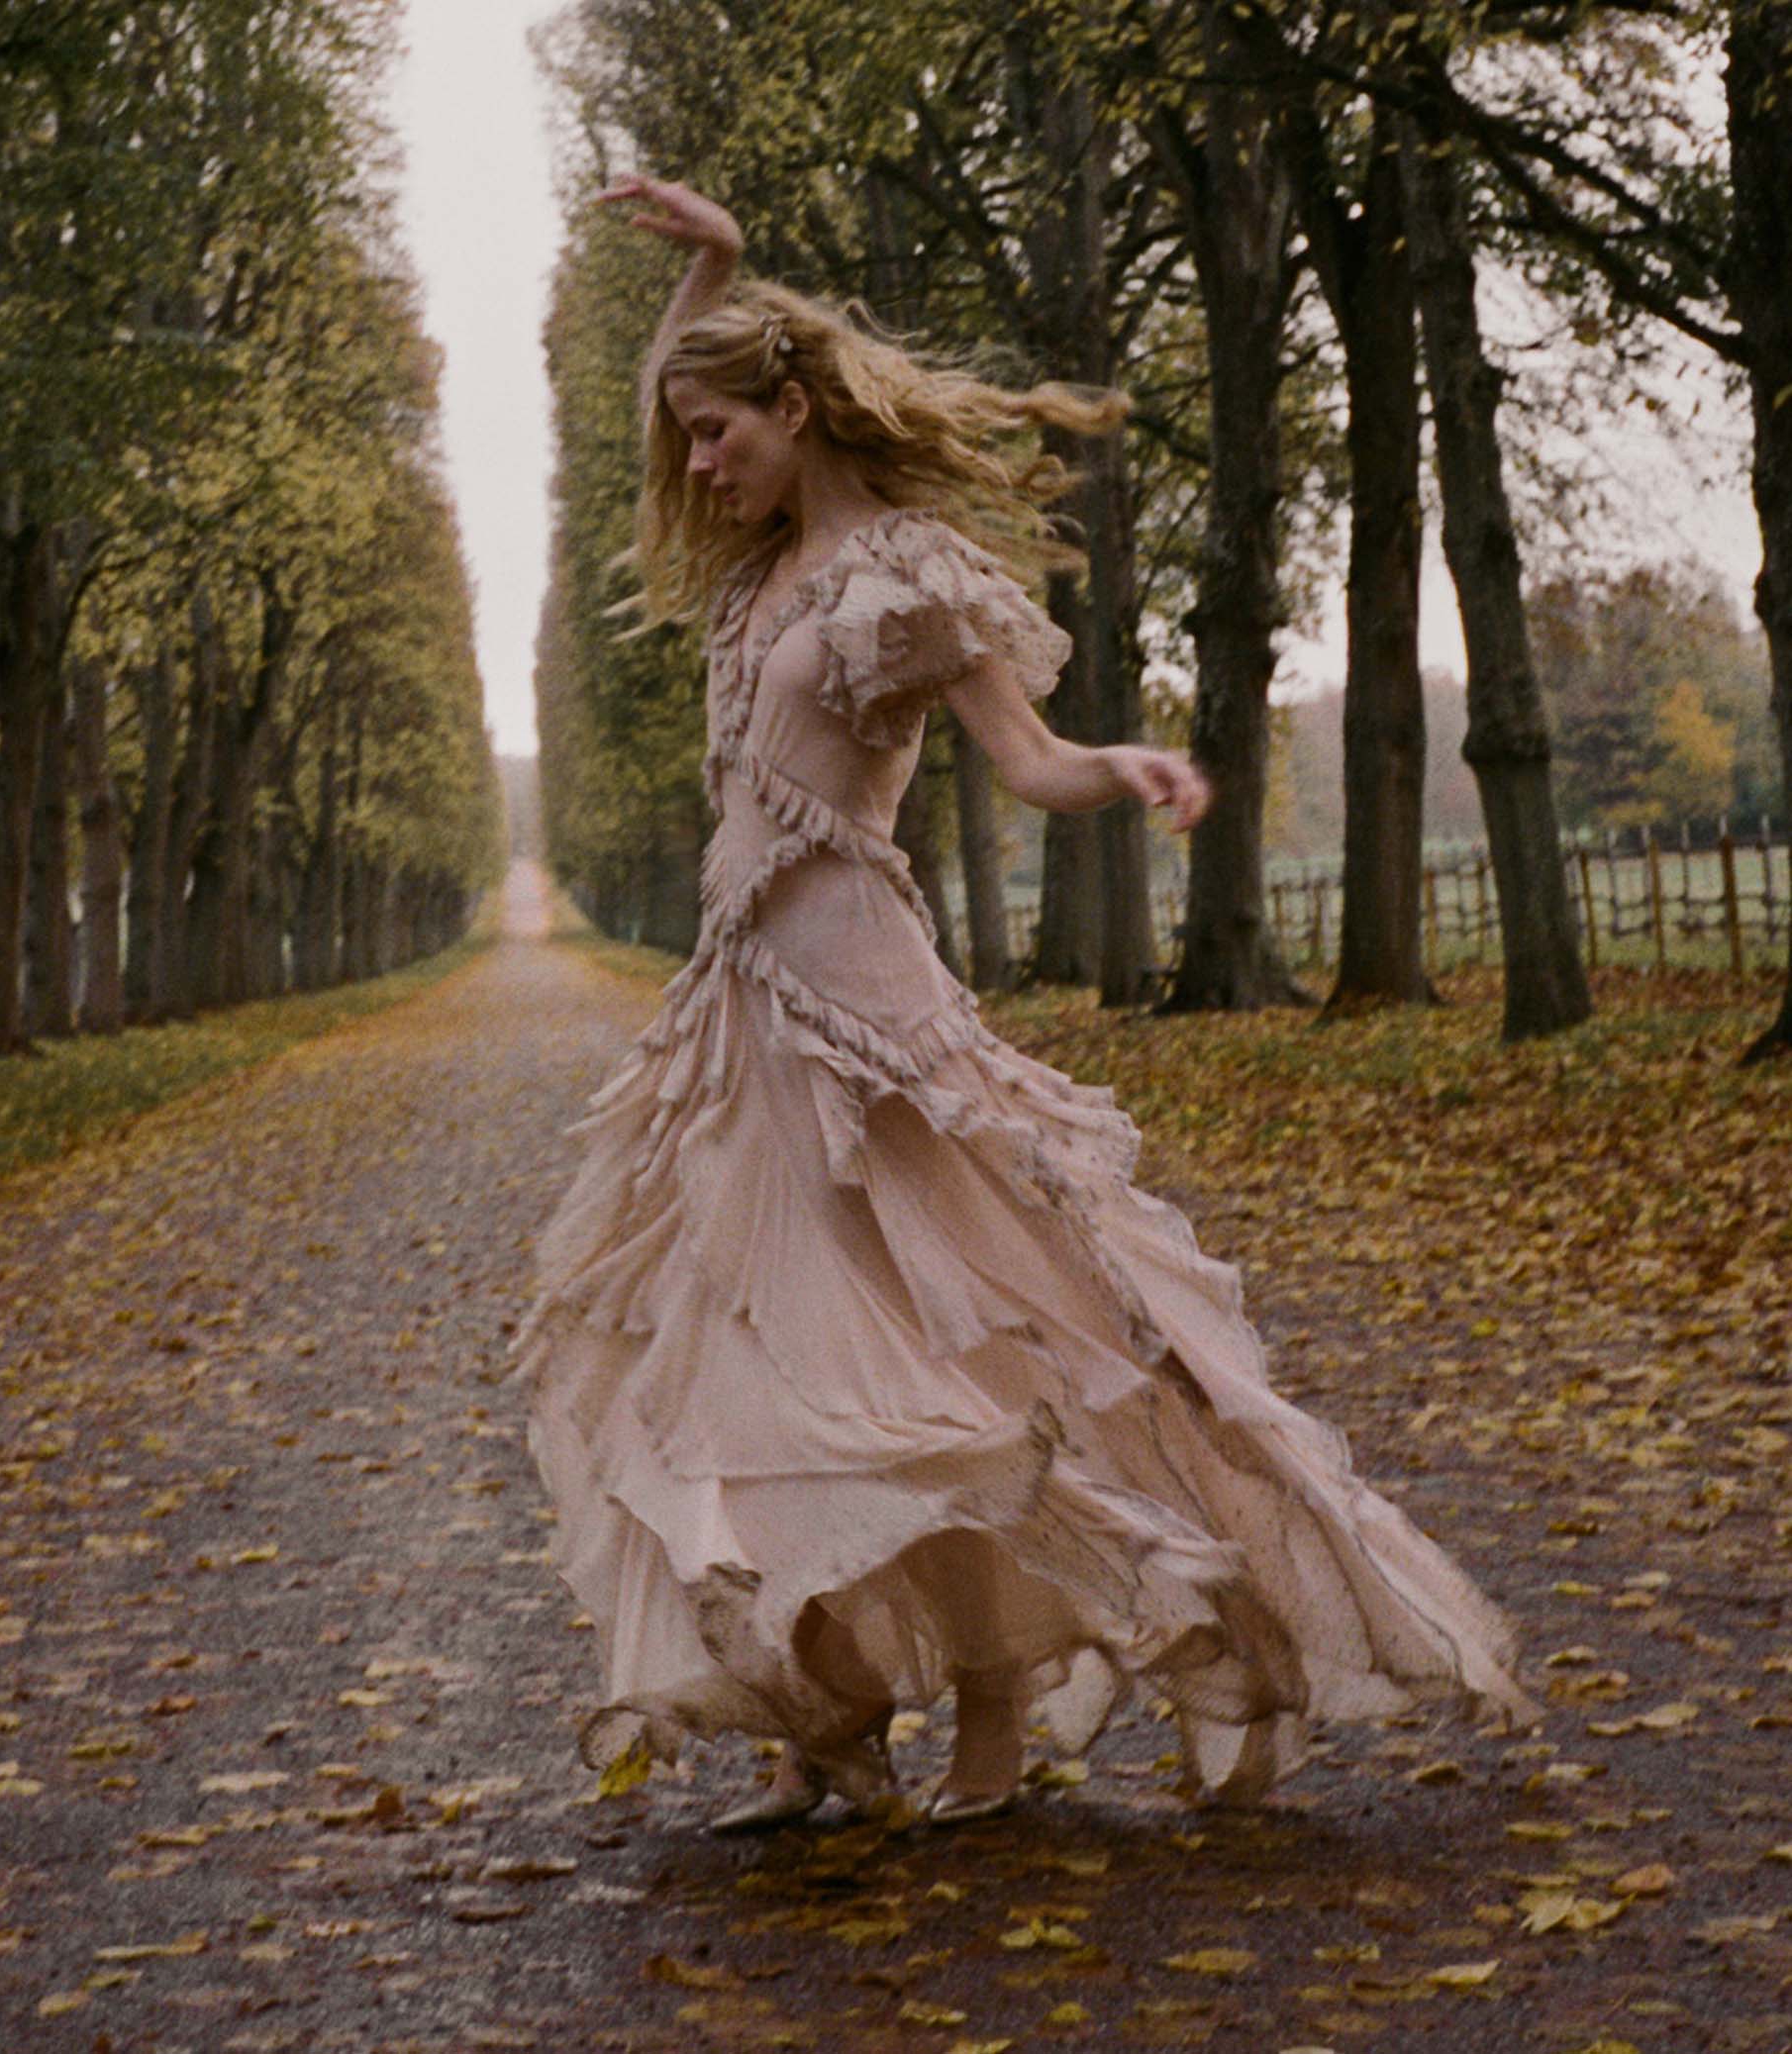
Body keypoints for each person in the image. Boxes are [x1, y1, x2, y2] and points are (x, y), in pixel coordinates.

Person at [514, 178, 1531, 1833]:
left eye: (720, 433)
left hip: (867, 1013)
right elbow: (669, 390)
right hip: (744, 1019)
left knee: (951, 1363)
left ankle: (986, 1728)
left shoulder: (910, 579)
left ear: (794, 407)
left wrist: (1117, 768)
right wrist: (714, 263)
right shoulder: (763, 568)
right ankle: (818, 1731)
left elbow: (1027, 757)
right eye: (687, 437)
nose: (695, 464)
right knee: (756, 1368)